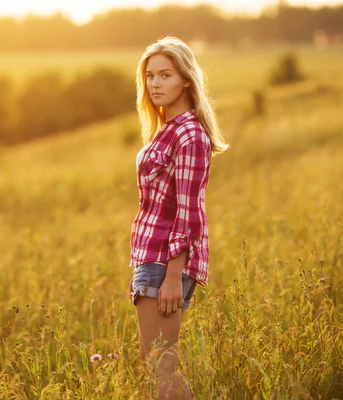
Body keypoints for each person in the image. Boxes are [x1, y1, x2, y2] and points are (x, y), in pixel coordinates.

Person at [129, 36, 228, 399]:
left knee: (161, 367)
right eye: (150, 76)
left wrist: (173, 276)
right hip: (149, 258)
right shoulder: (165, 131)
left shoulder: (189, 135)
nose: (155, 83)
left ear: (185, 78)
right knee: (154, 364)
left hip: (165, 263)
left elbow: (189, 213)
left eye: (165, 75)